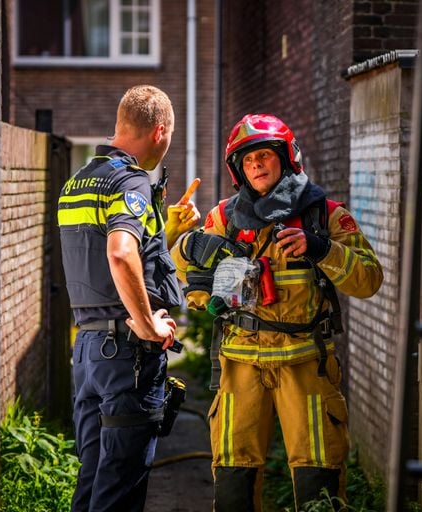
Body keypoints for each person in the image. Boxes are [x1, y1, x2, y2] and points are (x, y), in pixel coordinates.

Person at [171, 113, 383, 510]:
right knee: (234, 477)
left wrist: (321, 249)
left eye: (264, 154)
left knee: (317, 478)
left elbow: (369, 279)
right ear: (238, 169)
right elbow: (174, 267)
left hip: (306, 363)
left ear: (287, 158)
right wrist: (189, 246)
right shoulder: (224, 219)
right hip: (240, 365)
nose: (256, 164)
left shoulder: (325, 216)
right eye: (247, 159)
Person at [58, 84, 200, 511]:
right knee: (120, 487)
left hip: (87, 352)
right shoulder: (131, 179)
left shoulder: (79, 181)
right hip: (126, 355)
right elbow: (120, 254)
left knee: (95, 475)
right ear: (159, 132)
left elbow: (109, 261)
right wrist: (149, 322)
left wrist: (165, 230)